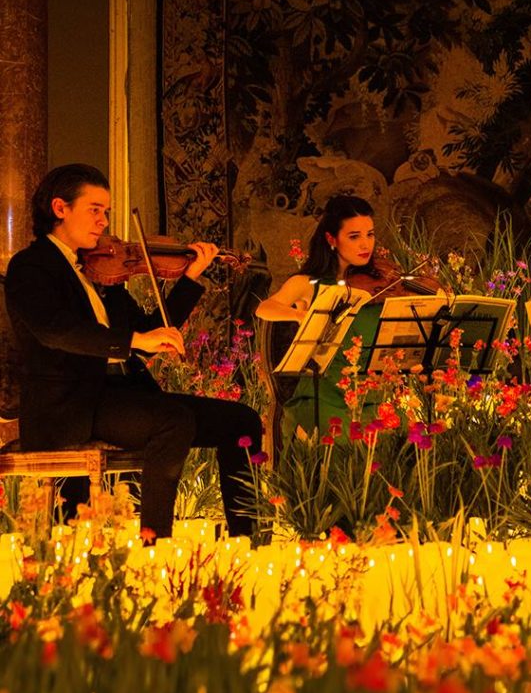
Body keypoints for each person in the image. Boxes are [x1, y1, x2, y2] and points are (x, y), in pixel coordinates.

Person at [4, 164, 262, 539]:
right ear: (60, 208)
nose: (103, 221)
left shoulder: (100, 272)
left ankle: (249, 536)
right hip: (69, 405)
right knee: (172, 420)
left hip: (116, 396)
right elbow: (55, 330)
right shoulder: (31, 266)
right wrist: (132, 341)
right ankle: (155, 540)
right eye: (95, 209)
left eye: (106, 211)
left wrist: (189, 280)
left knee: (242, 420)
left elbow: (149, 335)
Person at [256, 195, 404, 443]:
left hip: (372, 395)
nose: (365, 244)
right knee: (340, 438)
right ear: (331, 239)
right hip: (323, 393)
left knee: (413, 436)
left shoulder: (381, 283)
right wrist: (299, 315)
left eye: (370, 234)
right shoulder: (307, 283)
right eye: (354, 236)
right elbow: (265, 308)